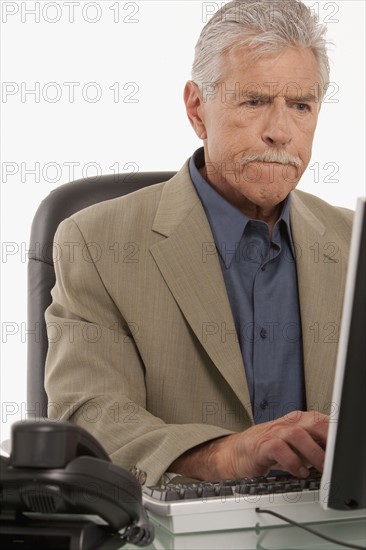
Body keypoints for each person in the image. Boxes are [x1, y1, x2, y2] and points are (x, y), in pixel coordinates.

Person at [45, 0, 353, 486]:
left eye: (300, 105)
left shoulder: (355, 242)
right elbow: (89, 415)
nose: (280, 132)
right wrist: (221, 455)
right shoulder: (97, 242)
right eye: (254, 101)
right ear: (197, 109)